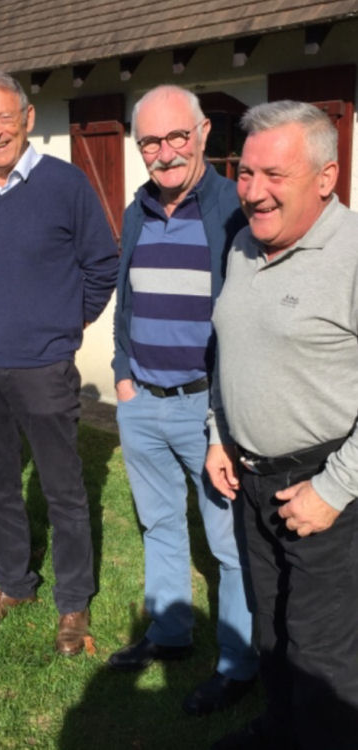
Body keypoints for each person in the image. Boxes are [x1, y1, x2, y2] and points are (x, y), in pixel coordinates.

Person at [206, 100, 358, 750]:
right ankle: (279, 731)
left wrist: (333, 489)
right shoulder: (244, 243)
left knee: (322, 653)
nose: (253, 191)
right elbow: (230, 347)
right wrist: (219, 431)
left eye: (274, 175)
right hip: (252, 481)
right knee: (270, 627)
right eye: (245, 172)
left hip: (327, 488)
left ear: (326, 178)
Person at [0, 71, 118, 655]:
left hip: (44, 367)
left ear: (26, 118)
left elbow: (103, 264)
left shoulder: (65, 184)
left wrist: (67, 325)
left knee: (63, 489)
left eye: (4, 117)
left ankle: (72, 602)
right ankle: (14, 585)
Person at [109, 84, 257, 714]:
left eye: (176, 136)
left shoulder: (234, 210)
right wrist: (122, 374)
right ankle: (170, 635)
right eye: (150, 141)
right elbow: (128, 298)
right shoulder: (138, 209)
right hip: (142, 400)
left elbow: (246, 320)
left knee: (228, 543)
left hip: (207, 410)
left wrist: (223, 413)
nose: (165, 152)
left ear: (202, 135)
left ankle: (238, 664)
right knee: (159, 524)